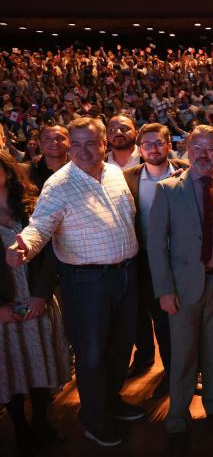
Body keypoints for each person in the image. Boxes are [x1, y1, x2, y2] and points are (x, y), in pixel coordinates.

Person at [8, 117, 141, 447]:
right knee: (92, 353)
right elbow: (41, 225)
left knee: (120, 346)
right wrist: (25, 244)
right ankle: (93, 419)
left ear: (104, 144)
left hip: (125, 274)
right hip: (86, 281)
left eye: (90, 143)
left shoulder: (113, 173)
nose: (83, 150)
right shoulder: (59, 184)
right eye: (77, 143)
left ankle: (110, 401)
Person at [147, 125, 213, 447]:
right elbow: (156, 245)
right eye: (199, 149)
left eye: (212, 149)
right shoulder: (167, 189)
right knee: (184, 355)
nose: (205, 155)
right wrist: (164, 290)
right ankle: (178, 418)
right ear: (188, 150)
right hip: (183, 287)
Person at [0, 150, 70, 456]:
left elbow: (54, 250)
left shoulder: (32, 201)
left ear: (7, 170)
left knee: (41, 362)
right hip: (3, 304)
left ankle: (41, 421)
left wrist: (41, 294)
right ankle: (20, 427)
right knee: (10, 368)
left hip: (36, 297)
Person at [122, 123, 187, 394]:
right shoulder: (129, 179)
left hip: (185, 258)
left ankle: (190, 373)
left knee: (187, 318)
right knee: (162, 321)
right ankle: (172, 375)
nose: (153, 148)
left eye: (159, 143)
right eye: (147, 144)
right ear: (139, 149)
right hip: (149, 261)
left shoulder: (187, 171)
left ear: (168, 145)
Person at [27, 125, 69, 189]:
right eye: (47, 139)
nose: (54, 142)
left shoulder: (81, 168)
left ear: (69, 141)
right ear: (40, 143)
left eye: (59, 138)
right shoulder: (27, 172)